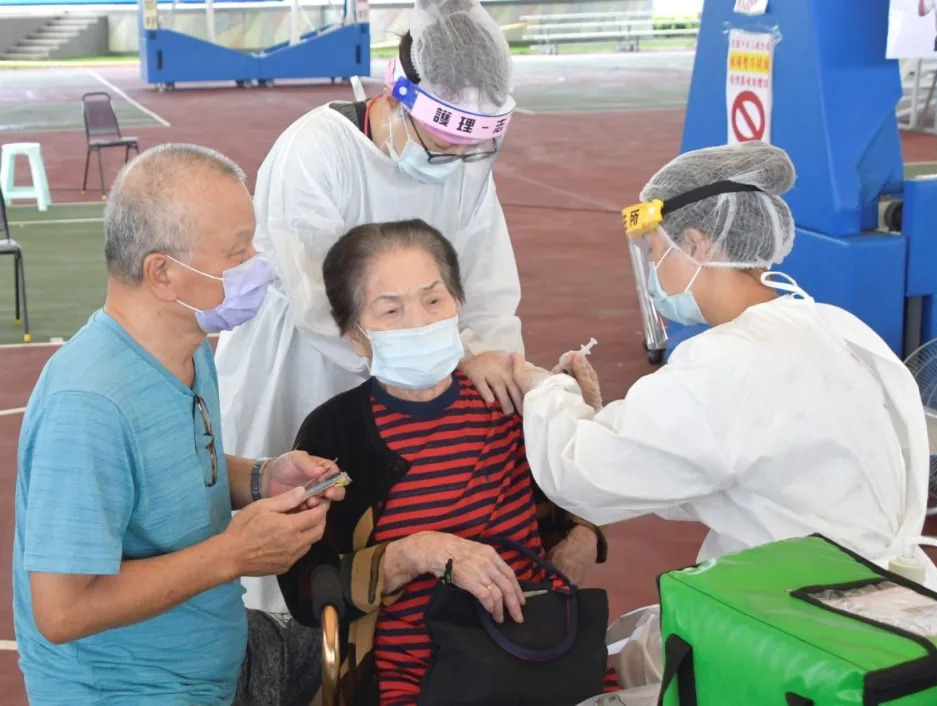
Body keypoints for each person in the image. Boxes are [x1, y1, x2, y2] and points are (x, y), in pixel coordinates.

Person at [512, 141, 937, 596]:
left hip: (809, 615)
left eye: (655, 252)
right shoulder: (831, 326)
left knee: (639, 658)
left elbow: (580, 475)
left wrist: (541, 388)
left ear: (696, 244)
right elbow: (709, 466)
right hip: (898, 598)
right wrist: (601, 420)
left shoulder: (726, 363)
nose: (653, 273)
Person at [216, 0, 527, 614]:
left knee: (393, 531)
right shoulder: (316, 150)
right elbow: (317, 304)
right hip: (304, 366)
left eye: (470, 153)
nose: (454, 166)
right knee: (293, 538)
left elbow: (488, 282)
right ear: (399, 96)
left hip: (424, 376)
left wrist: (492, 360)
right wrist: (437, 359)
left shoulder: (467, 160)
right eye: (439, 148)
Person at [13, 144, 346, 705]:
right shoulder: (90, 405)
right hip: (135, 689)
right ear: (163, 272)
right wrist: (231, 555)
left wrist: (265, 478)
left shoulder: (189, 348)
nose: (257, 265)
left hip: (212, 653)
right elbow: (61, 610)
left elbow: (183, 473)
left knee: (374, 644)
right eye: (238, 251)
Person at [276, 220, 615, 705]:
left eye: (434, 301)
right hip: (414, 681)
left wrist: (585, 521)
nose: (419, 322)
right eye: (390, 309)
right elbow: (309, 591)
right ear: (355, 336)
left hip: (539, 652)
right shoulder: (335, 434)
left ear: (458, 304)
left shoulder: (508, 402)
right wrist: (417, 552)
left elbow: (572, 502)